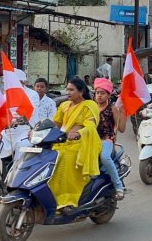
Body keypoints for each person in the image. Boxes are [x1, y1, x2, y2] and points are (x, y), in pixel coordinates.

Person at [49, 77, 102, 209]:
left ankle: (69, 199)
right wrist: (38, 130)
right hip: (63, 141)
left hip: (82, 142)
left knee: (64, 159)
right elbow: (55, 124)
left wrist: (79, 133)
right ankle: (52, 197)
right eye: (67, 89)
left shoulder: (90, 105)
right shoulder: (64, 105)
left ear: (81, 91)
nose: (68, 92)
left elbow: (91, 125)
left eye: (71, 90)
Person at [93, 77, 126, 200]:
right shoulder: (90, 107)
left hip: (105, 140)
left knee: (104, 157)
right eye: (97, 93)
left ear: (108, 95)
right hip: (90, 141)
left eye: (102, 93)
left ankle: (118, 186)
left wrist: (122, 110)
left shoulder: (112, 108)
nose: (99, 96)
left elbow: (122, 128)